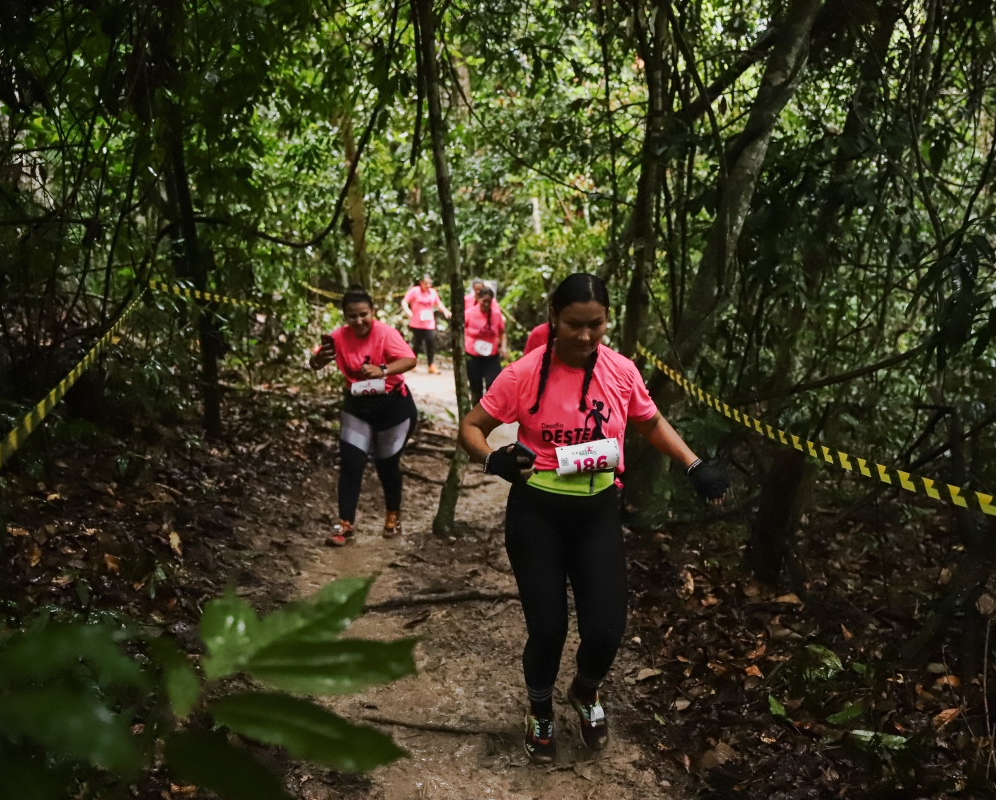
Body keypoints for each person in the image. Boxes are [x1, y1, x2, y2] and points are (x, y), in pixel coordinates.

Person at [458, 273, 729, 764]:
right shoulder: (523, 374)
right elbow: (472, 426)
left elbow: (649, 420)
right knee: (548, 630)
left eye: (596, 325)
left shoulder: (620, 371)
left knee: (605, 630)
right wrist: (492, 459)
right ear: (554, 319)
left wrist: (693, 465)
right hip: (536, 514)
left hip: (597, 513)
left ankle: (585, 691)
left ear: (607, 320)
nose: (585, 336)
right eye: (574, 324)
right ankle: (540, 709)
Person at [310, 286, 419, 546]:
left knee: (387, 465)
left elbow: (410, 360)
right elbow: (314, 363)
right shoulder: (338, 337)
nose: (358, 321)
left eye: (363, 314)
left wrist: (383, 370)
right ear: (345, 316)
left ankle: (393, 515)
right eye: (352, 316)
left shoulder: (386, 334)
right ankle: (345, 524)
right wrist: (320, 359)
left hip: (393, 408)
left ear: (373, 312)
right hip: (357, 407)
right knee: (351, 464)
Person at [465, 286, 507, 406]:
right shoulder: (468, 313)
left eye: (489, 302)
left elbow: (502, 332)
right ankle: (476, 410)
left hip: (491, 357)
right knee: (475, 387)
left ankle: (489, 410)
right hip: (473, 356)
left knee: (493, 384)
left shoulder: (496, 315)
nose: (487, 304)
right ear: (478, 299)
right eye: (484, 301)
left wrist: (504, 347)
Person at [401, 274, 450, 374]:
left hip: (429, 323)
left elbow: (438, 303)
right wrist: (407, 311)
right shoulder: (414, 291)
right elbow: (404, 301)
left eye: (430, 284)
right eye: (426, 283)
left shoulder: (433, 292)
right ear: (421, 283)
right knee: (417, 344)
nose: (428, 286)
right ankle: (412, 363)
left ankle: (431, 365)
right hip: (417, 323)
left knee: (430, 342)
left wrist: (445, 310)